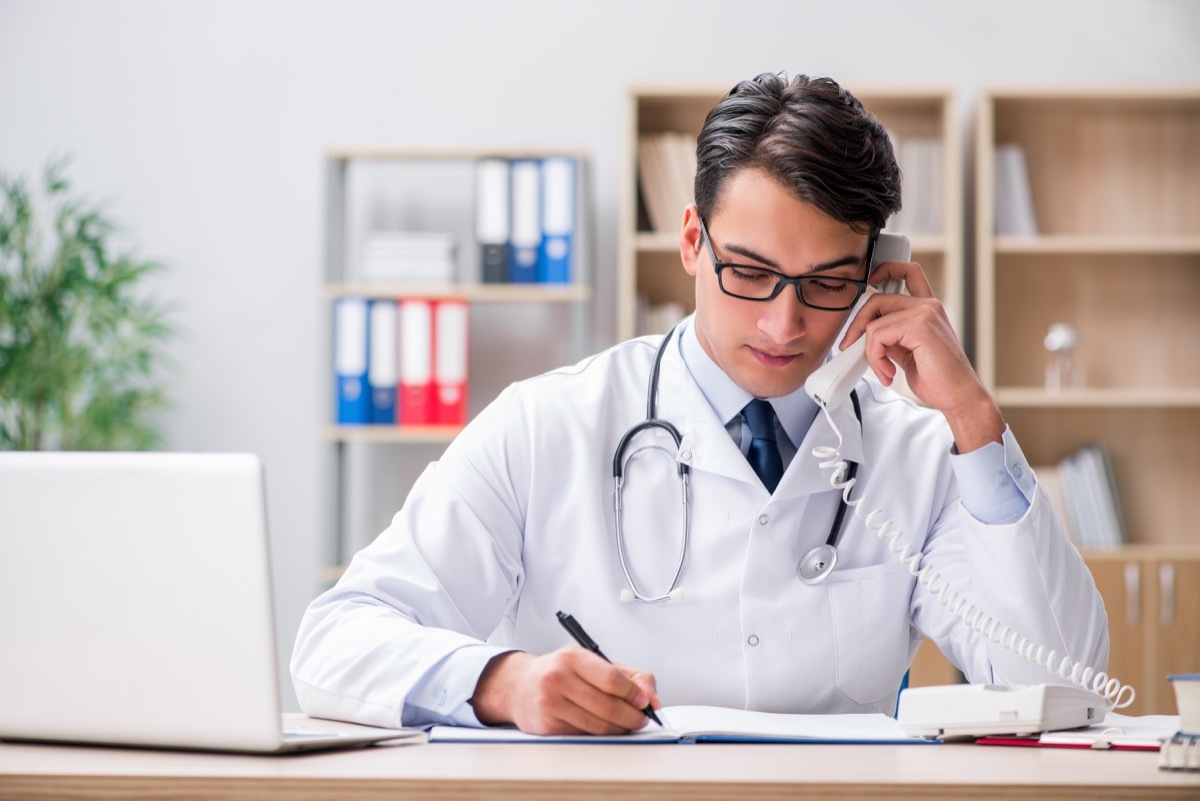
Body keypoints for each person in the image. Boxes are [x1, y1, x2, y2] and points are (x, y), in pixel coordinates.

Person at [292, 72, 1109, 736]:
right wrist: (502, 681)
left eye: (827, 283)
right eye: (748, 272)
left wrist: (973, 418)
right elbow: (334, 642)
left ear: (879, 273)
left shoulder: (924, 456)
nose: (783, 324)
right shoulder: (548, 426)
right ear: (692, 242)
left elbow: (1065, 685)